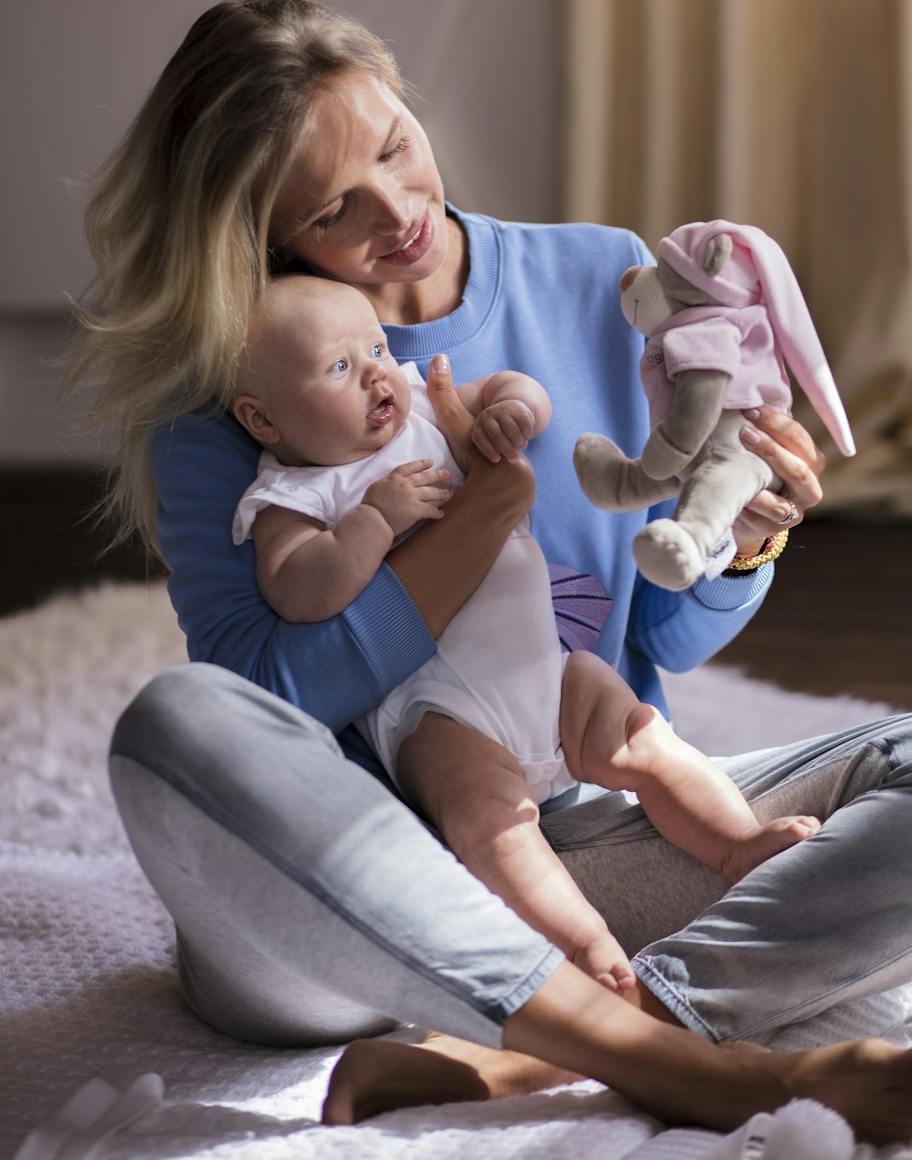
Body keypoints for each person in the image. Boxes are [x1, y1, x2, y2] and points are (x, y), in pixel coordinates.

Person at [68, 0, 912, 1146]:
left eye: (396, 148)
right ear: (260, 231)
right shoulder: (237, 392)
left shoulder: (602, 283)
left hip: (579, 835)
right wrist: (479, 517)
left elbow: (653, 639)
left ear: (407, 100)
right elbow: (270, 698)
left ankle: (580, 1036)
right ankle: (684, 1064)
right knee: (176, 722)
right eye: (333, 208)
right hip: (340, 897)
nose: (399, 210)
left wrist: (741, 534)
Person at [230, 273, 821, 991]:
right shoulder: (292, 495)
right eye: (339, 367)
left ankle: (737, 846)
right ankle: (582, 948)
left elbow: (518, 390)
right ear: (264, 422)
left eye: (377, 347)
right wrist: (375, 519)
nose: (376, 373)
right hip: (439, 711)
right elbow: (299, 590)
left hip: (549, 666)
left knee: (644, 738)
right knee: (490, 822)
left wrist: (510, 411)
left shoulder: (420, 398)